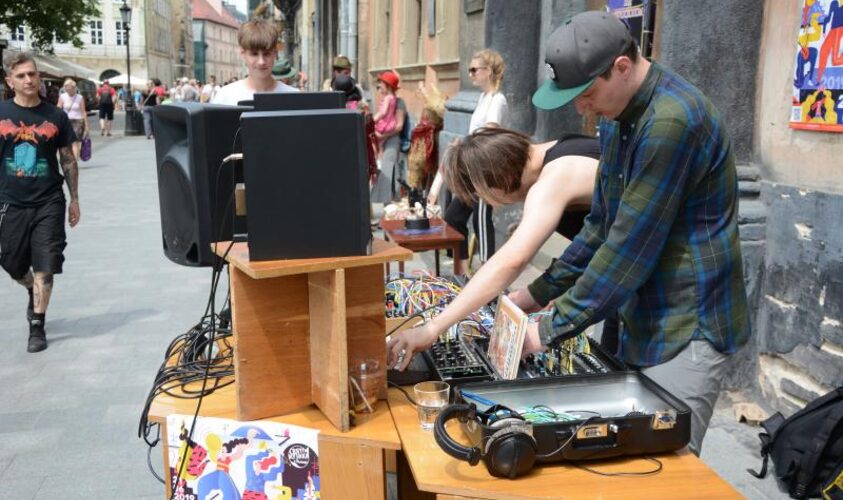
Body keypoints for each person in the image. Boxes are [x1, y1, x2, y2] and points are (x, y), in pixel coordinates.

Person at [520, 12, 747, 455]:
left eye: (586, 94)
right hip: (642, 317)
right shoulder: (617, 117)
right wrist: (531, 295)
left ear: (621, 67)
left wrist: (546, 329)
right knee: (626, 460)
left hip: (688, 324)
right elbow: (601, 227)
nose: (581, 109)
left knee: (667, 466)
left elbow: (627, 249)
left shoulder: (671, 121)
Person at [387, 127, 599, 366]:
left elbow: (512, 259)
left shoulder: (551, 182)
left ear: (496, 179)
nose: (490, 203)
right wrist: (537, 292)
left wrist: (433, 328)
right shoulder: (560, 145)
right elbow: (591, 242)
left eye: (482, 195)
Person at [0, 52, 80, 353]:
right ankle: (30, 288)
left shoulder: (55, 116)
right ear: (10, 81)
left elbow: (68, 160)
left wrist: (75, 199)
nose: (28, 80)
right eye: (21, 75)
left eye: (32, 74)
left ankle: (37, 324)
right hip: (10, 201)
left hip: (49, 201)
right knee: (12, 263)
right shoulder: (1, 113)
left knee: (46, 265)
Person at [429, 49, 507, 270]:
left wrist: (464, 144)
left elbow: (488, 133)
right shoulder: (483, 98)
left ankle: (488, 271)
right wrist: (462, 142)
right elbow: (477, 133)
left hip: (486, 169)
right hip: (474, 167)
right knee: (454, 217)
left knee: (481, 220)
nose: (471, 74)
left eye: (474, 70)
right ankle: (462, 271)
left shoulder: (497, 100)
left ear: (489, 71)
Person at [212, 19, 298, 106]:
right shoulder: (225, 97)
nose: (261, 62)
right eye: (254, 54)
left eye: (267, 54)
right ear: (242, 53)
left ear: (275, 53)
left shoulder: (294, 97)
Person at [370, 70, 406, 203]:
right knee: (386, 169)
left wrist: (383, 136)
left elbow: (399, 126)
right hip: (383, 138)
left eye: (381, 83)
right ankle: (387, 200)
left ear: (388, 86)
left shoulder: (398, 102)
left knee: (387, 168)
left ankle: (383, 201)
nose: (379, 86)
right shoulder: (385, 99)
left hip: (392, 139)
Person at [56, 79, 89, 162]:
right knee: (66, 142)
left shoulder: (80, 97)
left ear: (74, 87)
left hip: (78, 121)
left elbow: (83, 112)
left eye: (69, 87)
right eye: (66, 87)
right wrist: (56, 121)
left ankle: (75, 161)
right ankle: (69, 159)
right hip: (66, 121)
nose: (67, 89)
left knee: (75, 142)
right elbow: (58, 109)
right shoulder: (63, 96)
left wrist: (86, 126)